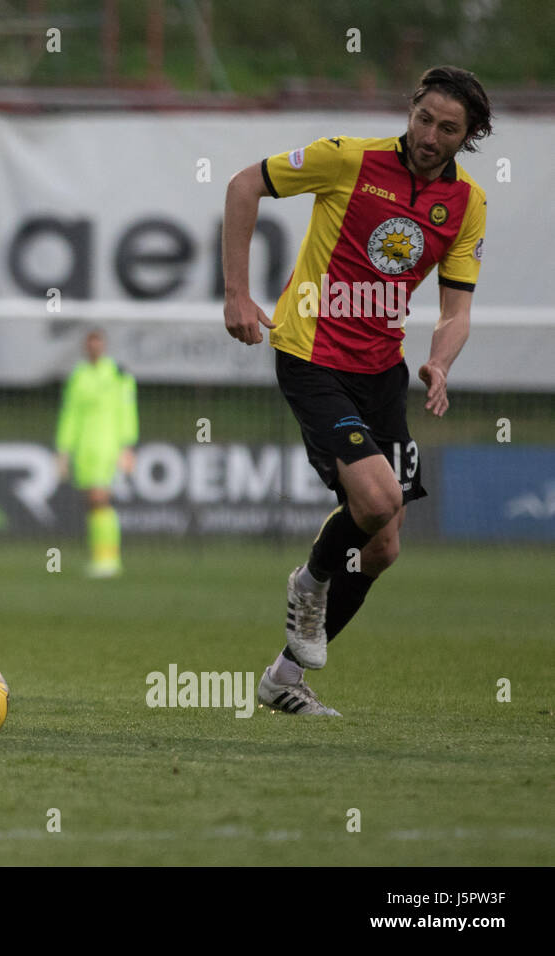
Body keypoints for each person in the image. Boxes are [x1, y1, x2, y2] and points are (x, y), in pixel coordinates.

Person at [222, 65, 490, 715]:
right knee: (376, 497)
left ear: (467, 136)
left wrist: (442, 364)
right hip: (311, 355)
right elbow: (243, 185)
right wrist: (236, 290)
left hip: (382, 371)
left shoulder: (468, 203)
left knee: (385, 542)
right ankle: (310, 581)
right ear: (410, 111)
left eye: (447, 128)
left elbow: (457, 309)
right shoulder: (347, 159)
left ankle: (285, 678)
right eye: (423, 118)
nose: (429, 135)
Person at [55, 328, 138, 577]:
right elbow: (70, 414)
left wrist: (127, 447)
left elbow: (127, 411)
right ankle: (100, 555)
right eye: (90, 344)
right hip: (83, 447)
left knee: (101, 498)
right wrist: (63, 450)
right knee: (91, 502)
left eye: (98, 343)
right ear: (85, 347)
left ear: (104, 346)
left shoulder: (117, 374)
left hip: (107, 445)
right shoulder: (78, 376)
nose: (94, 348)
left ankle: (109, 558)